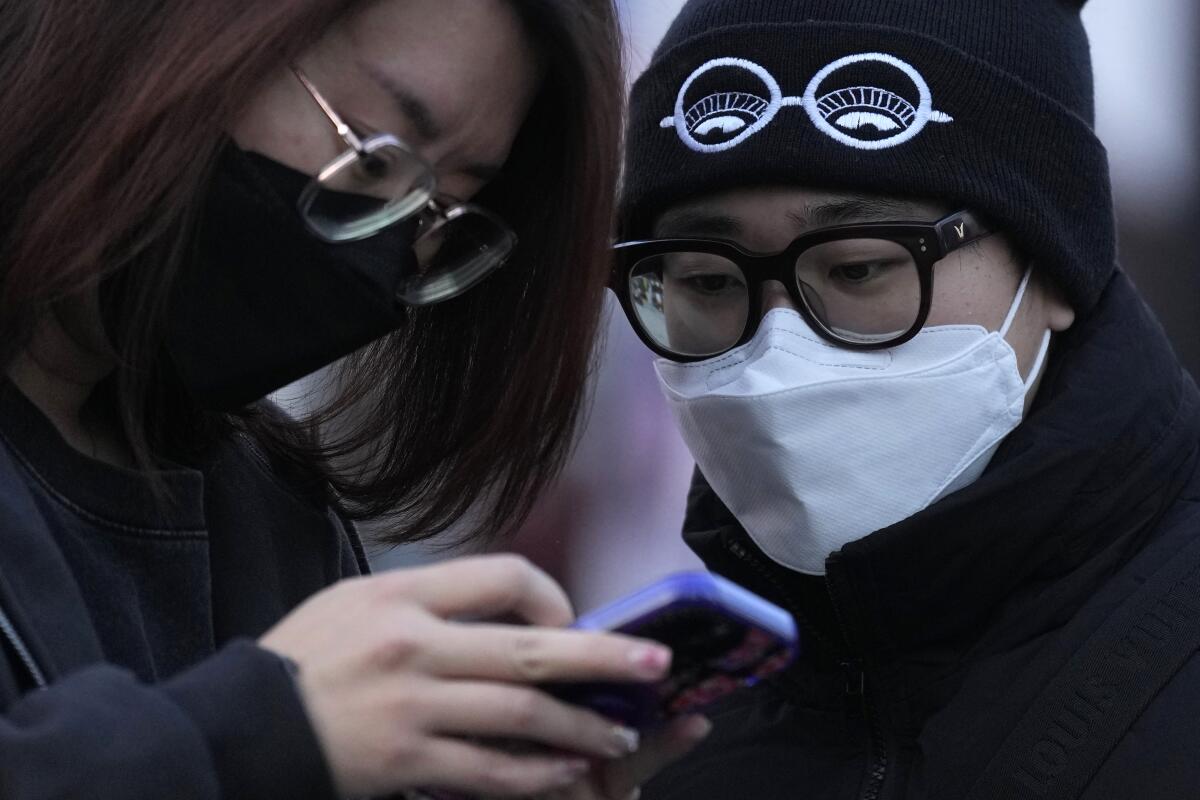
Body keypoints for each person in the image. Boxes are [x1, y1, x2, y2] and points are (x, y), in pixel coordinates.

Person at [0, 1, 710, 797]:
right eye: (374, 155)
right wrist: (263, 736)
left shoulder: (268, 519)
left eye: (445, 208)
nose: (392, 244)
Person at [611, 0, 1200, 797]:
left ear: (1054, 265)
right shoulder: (662, 738)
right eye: (708, 282)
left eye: (858, 269)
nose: (776, 353)